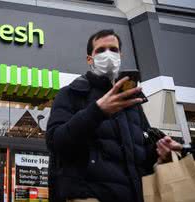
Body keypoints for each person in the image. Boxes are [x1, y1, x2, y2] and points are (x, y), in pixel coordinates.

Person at [46, 29, 182, 202]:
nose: (108, 54)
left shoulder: (132, 102)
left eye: (113, 49)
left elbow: (141, 157)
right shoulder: (71, 94)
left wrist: (160, 151)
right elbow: (55, 142)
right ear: (90, 59)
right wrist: (97, 111)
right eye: (101, 50)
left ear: (120, 55)